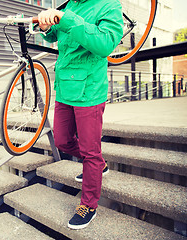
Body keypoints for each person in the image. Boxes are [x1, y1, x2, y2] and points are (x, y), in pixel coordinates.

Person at [37, 0, 124, 230]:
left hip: (90, 89)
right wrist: (46, 27)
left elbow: (105, 44)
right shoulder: (70, 6)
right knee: (63, 141)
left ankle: (89, 205)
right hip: (65, 86)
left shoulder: (109, 5)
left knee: (89, 152)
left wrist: (67, 19)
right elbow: (54, 34)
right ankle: (98, 164)